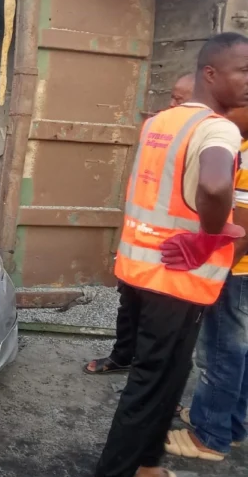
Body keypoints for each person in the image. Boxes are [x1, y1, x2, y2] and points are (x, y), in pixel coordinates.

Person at [83, 32, 248, 477]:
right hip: (177, 279)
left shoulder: (160, 121)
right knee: (153, 385)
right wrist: (208, 239)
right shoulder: (219, 127)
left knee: (167, 378)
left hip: (141, 268)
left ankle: (148, 471)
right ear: (212, 74)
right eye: (244, 71)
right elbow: (215, 187)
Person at [84, 73, 197, 379]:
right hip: (139, 244)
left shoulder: (204, 142)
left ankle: (157, 386)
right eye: (172, 98)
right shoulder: (157, 131)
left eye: (181, 100)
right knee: (129, 307)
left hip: (171, 256)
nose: (171, 106)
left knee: (160, 327)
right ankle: (122, 357)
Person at [166, 105, 248, 462]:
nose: (224, 113)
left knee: (220, 353)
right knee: (240, 352)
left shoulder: (243, 152)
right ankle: (232, 426)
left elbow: (243, 227)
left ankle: (209, 435)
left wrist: (214, 272)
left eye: (233, 107)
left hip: (237, 271)